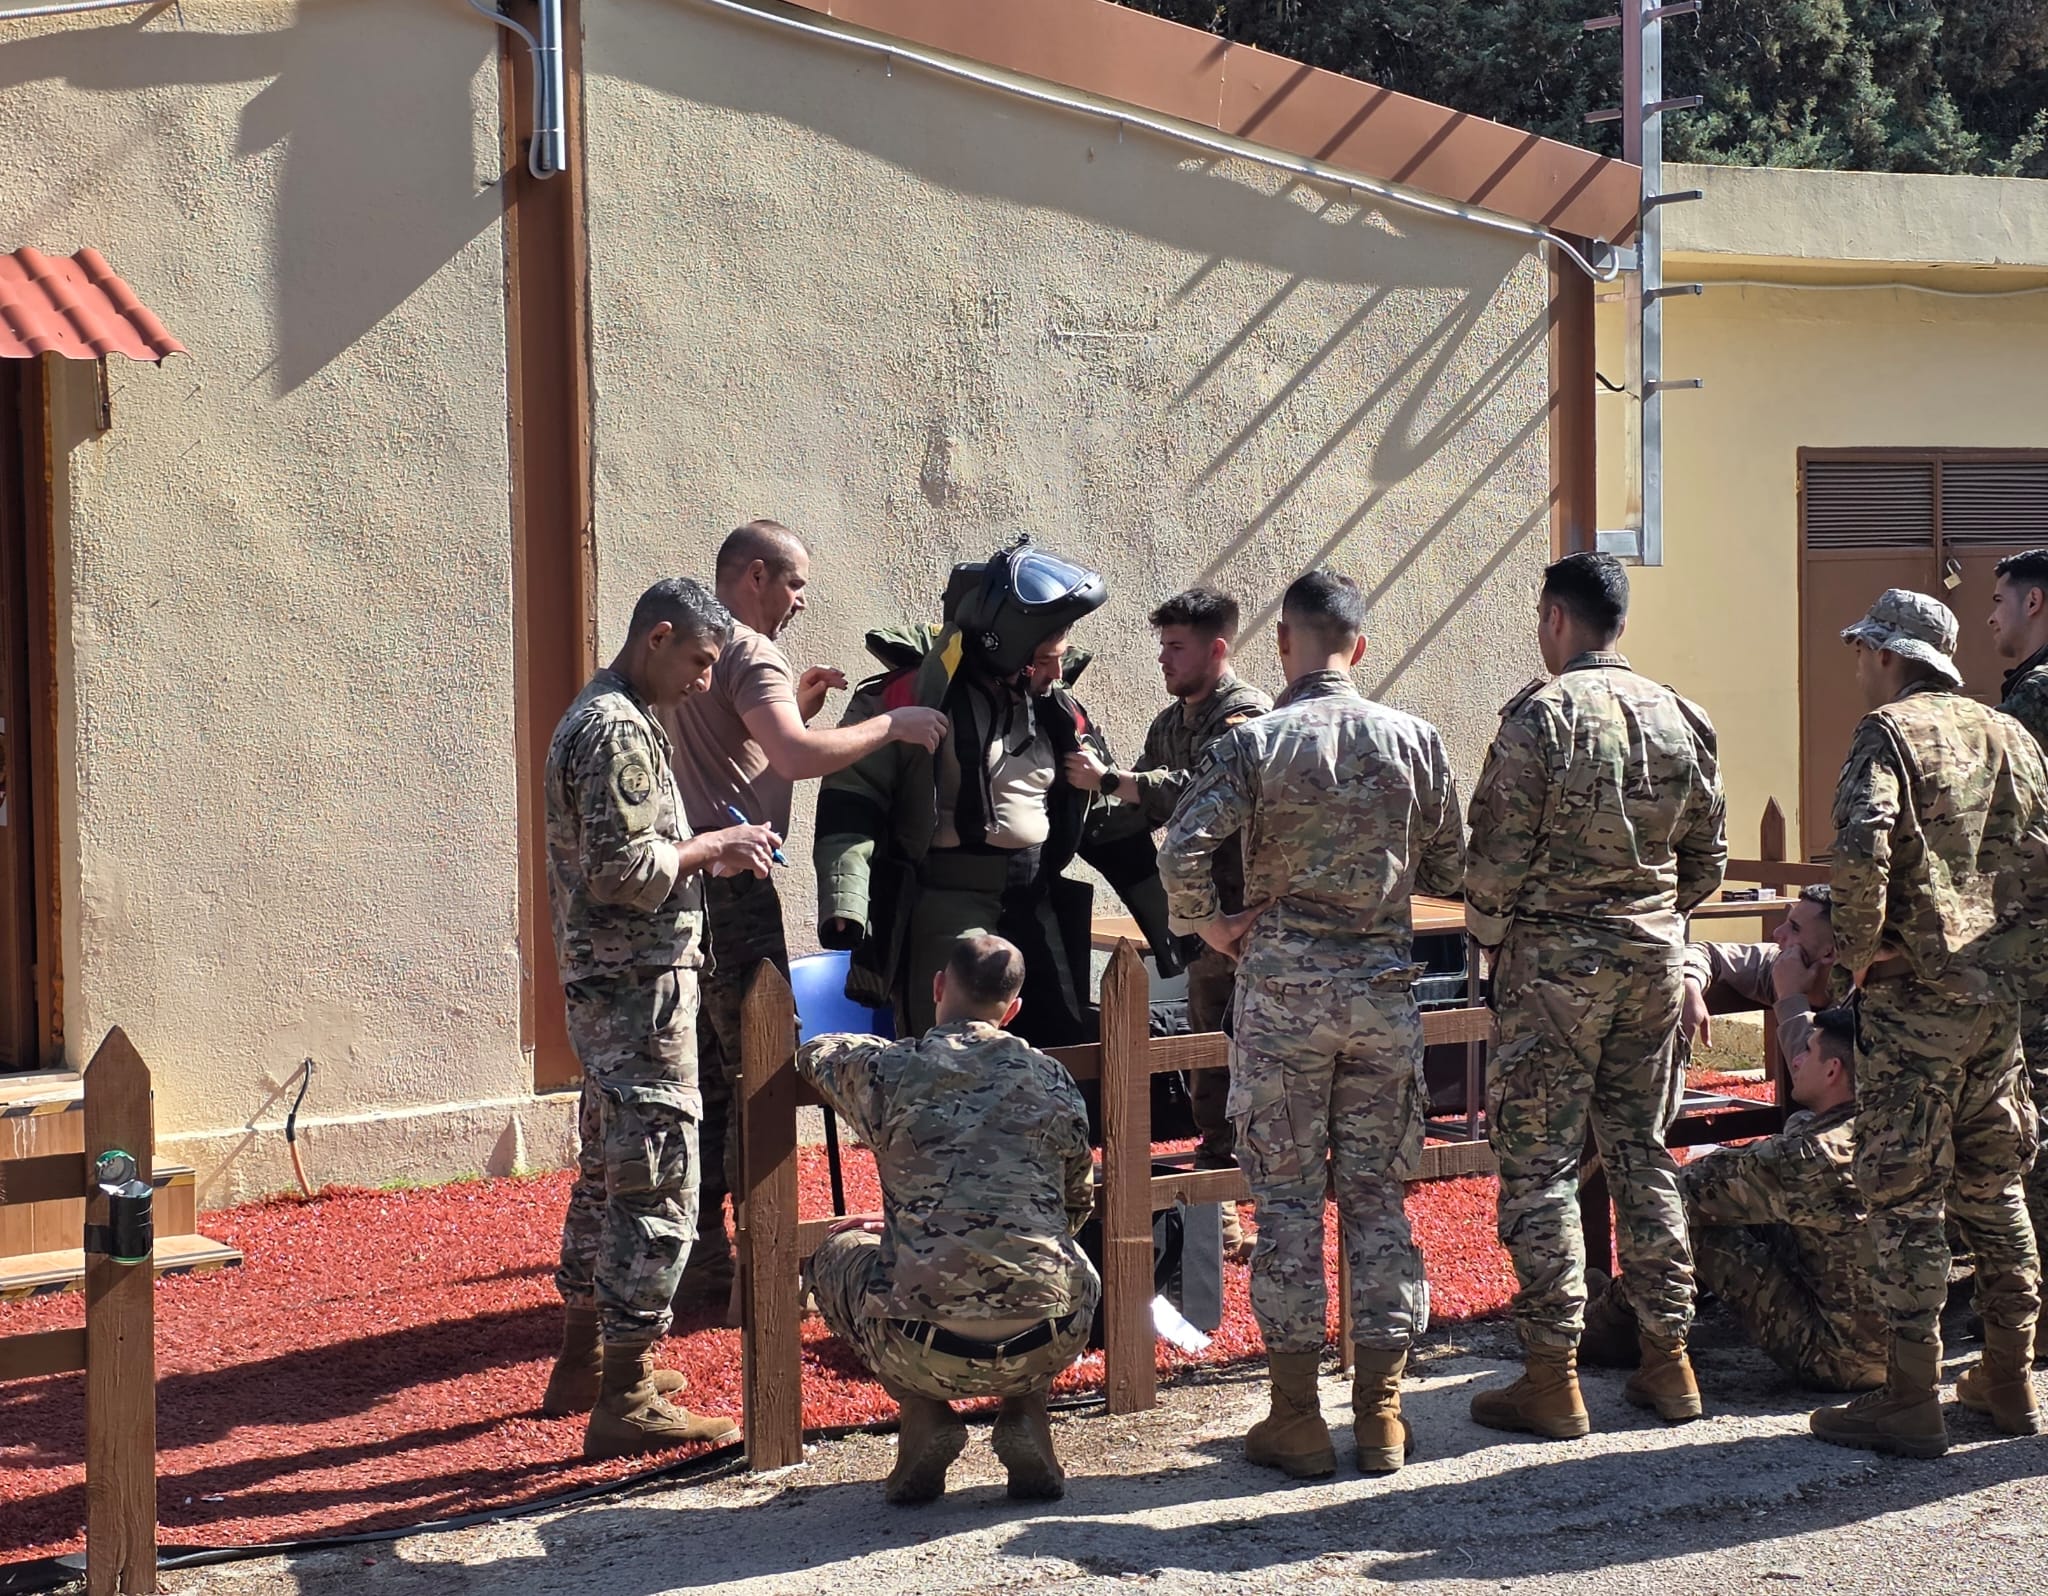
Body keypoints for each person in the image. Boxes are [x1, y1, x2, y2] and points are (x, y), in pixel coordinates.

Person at [1159, 568, 1464, 1478]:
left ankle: (1295, 1417)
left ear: (1284, 645)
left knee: (1287, 1203)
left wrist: (1209, 923)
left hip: (1285, 996)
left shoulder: (1258, 743)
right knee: (1378, 1200)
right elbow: (1449, 861)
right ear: (1358, 646)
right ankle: (1382, 1416)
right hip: (1380, 992)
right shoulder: (1416, 739)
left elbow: (1183, 847)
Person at [1464, 551, 1727, 1440]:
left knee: (1538, 1168)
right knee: (1642, 1153)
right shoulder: (1680, 716)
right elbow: (1708, 865)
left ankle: (1551, 1374)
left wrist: (1497, 939)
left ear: (1554, 618)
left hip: (1554, 967)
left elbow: (1493, 861)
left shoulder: (1539, 719)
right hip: (1653, 959)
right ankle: (1670, 1361)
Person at [665, 521, 947, 1310]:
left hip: (688, 887)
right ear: (755, 576)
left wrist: (797, 707)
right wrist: (893, 724)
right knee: (756, 1069)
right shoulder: (751, 651)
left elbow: (740, 751)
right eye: (793, 586)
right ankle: (754, 1266)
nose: (797, 603)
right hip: (735, 886)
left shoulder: (695, 654)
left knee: (707, 1075)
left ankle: (703, 1255)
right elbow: (791, 758)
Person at [539, 577, 780, 1458]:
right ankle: (625, 1395)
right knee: (657, 1175)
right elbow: (626, 871)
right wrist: (717, 848)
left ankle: (584, 1360)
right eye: (699, 663)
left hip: (616, 992)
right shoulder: (616, 730)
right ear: (658, 638)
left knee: (607, 1170)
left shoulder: (604, 716)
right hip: (636, 993)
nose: (704, 683)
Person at [1809, 588, 2048, 1457]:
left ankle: (1912, 1396)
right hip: (2000, 1003)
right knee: (1997, 1186)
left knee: (1906, 1195)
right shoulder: (2014, 736)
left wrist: (1856, 959)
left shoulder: (1890, 736)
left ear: (1886, 655)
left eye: (1862, 652)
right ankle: (2011, 1380)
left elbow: (1863, 847)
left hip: (1915, 1003)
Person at [816, 537, 1177, 1045]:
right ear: (1005, 648)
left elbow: (1107, 822)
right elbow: (852, 800)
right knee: (952, 1055)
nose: (1057, 671)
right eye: (1047, 658)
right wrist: (845, 906)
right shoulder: (908, 699)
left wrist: (1173, 924)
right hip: (947, 905)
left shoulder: (1059, 713)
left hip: (1036, 901)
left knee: (1061, 1046)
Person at [798, 933, 1099, 1505]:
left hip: (923, 1344)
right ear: (1013, 1010)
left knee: (835, 1254)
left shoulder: (892, 1070)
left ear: (938, 987)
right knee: (1056, 1258)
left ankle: (924, 1414)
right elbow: (1074, 1203)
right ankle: (1026, 1412)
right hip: (1051, 1334)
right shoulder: (1051, 1078)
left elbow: (815, 1051)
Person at [1063, 586, 1270, 1258]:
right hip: (1207, 924)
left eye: (1176, 647)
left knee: (1259, 1064)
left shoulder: (1248, 721)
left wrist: (1113, 779)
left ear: (1217, 649)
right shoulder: (1170, 723)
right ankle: (1224, 1207)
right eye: (1162, 644)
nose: (1163, 658)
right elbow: (1142, 811)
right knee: (1210, 1060)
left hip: (1255, 921)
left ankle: (1260, 1198)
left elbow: (1197, 793)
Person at [1584, 1006, 1886, 1393]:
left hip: (1838, 1358)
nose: (1796, 1057)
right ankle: (1623, 1310)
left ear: (1832, 1071)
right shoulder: (1895, 1131)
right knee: (1753, 1211)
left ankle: (1613, 1330)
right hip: (1908, 1351)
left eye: (1808, 1050)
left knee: (1692, 1227)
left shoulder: (1809, 1157)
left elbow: (1675, 1192)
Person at [1987, 547, 2048, 1258]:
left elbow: (2001, 820)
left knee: (2031, 1103)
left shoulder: (2033, 698)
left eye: (1999, 600)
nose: (1991, 615)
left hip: (2034, 934)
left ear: (2033, 603)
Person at [1678, 883, 1838, 1064]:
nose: (1777, 933)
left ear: (1829, 953)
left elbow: (1811, 1076)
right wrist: (1689, 982)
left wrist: (1790, 997)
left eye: (1795, 928)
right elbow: (1708, 952)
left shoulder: (1862, 1001)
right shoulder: (1782, 967)